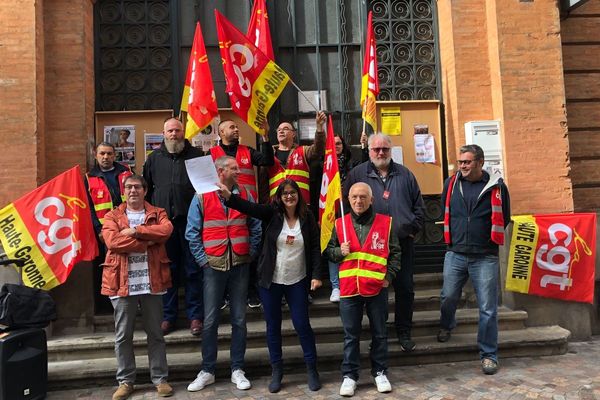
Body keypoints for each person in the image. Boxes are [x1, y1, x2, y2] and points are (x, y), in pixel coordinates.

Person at [218, 178, 323, 393]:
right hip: (270, 280)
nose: (289, 196)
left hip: (298, 280)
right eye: (285, 193)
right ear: (279, 196)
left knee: (302, 325)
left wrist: (316, 275)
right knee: (272, 327)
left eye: (292, 192)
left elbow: (314, 247)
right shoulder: (272, 214)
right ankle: (277, 371)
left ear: (298, 195)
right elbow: (250, 207)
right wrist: (230, 198)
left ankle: (312, 370)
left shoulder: (308, 216)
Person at [185, 156, 262, 392]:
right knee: (210, 321)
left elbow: (256, 225)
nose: (239, 171)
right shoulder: (201, 195)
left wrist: (250, 252)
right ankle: (207, 370)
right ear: (220, 171)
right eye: (234, 168)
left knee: (239, 319)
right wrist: (203, 261)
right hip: (213, 266)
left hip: (240, 263)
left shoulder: (245, 195)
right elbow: (192, 232)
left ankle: (237, 369)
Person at [344, 133, 425, 352]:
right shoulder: (357, 174)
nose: (381, 153)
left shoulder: (405, 174)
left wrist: (411, 230)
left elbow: (419, 207)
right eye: (376, 149)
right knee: (375, 293)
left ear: (391, 150)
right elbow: (345, 205)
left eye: (385, 149)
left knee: (405, 289)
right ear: (368, 150)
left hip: (402, 243)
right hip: (371, 247)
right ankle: (378, 336)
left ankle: (403, 332)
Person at [437, 144, 511, 375]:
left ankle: (489, 355)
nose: (462, 167)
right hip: (456, 252)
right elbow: (445, 210)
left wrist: (486, 239)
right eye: (460, 162)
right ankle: (447, 324)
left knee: (488, 308)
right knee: (448, 296)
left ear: (480, 162)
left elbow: (504, 217)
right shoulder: (451, 184)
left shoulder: (497, 187)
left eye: (467, 162)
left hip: (485, 256)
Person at [100, 175, 174, 400]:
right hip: (121, 283)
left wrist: (136, 231)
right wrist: (148, 242)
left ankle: (160, 379)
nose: (133, 191)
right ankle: (125, 381)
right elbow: (113, 242)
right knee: (123, 336)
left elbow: (166, 231)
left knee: (156, 334)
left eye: (137, 187)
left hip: (153, 282)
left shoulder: (158, 212)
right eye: (129, 187)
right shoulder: (112, 215)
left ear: (145, 190)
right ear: (124, 191)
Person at [326, 182, 401, 397]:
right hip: (349, 289)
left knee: (380, 333)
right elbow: (329, 253)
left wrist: (389, 277)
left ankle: (380, 372)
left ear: (371, 200)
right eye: (354, 197)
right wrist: (339, 252)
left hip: (377, 288)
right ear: (348, 200)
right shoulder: (339, 224)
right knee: (351, 335)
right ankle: (349, 376)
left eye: (362, 197)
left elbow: (396, 253)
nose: (358, 201)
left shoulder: (385, 223)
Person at [143, 117, 204, 337]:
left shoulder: (197, 157)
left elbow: (206, 190)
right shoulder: (153, 159)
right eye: (170, 131)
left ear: (183, 133)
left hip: (192, 224)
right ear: (163, 133)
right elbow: (146, 191)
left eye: (177, 131)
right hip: (163, 227)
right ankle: (168, 317)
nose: (174, 135)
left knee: (193, 271)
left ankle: (195, 316)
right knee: (166, 272)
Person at [210, 119, 274, 308]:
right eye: (232, 127)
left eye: (237, 127)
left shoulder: (247, 151)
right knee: (225, 252)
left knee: (250, 251)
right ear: (221, 132)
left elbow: (267, 161)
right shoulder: (211, 154)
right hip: (222, 210)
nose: (236, 129)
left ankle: (251, 292)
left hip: (248, 208)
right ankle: (225, 294)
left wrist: (265, 137)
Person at [85, 142, 133, 314]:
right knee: (110, 267)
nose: (105, 157)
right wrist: (98, 229)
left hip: (127, 228)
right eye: (102, 154)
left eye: (109, 154)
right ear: (95, 155)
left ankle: (131, 299)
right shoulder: (89, 178)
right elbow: (88, 206)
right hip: (105, 232)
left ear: (115, 155)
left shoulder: (126, 173)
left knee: (130, 264)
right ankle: (110, 306)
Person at [258, 111, 327, 206]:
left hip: (301, 206)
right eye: (279, 130)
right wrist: (266, 207)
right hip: (276, 207)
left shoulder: (303, 151)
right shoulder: (268, 156)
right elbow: (263, 186)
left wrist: (319, 128)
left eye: (285, 129)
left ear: (293, 134)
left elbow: (318, 150)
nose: (281, 131)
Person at [328, 133, 362, 303]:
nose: (337, 146)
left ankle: (351, 281)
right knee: (333, 248)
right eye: (333, 144)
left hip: (348, 211)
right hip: (330, 213)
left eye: (339, 143)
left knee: (350, 246)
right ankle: (336, 286)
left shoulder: (352, 164)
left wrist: (364, 147)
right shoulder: (323, 164)